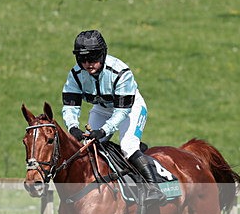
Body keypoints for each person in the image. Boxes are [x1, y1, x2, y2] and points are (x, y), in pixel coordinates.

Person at [61, 29, 165, 204]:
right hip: (102, 108)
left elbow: (122, 112)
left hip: (130, 108)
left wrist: (103, 131)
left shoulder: (120, 72)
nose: (88, 63)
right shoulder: (75, 75)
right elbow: (70, 105)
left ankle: (154, 188)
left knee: (128, 146)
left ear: (102, 54)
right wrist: (72, 127)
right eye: (83, 59)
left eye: (93, 57)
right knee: (87, 147)